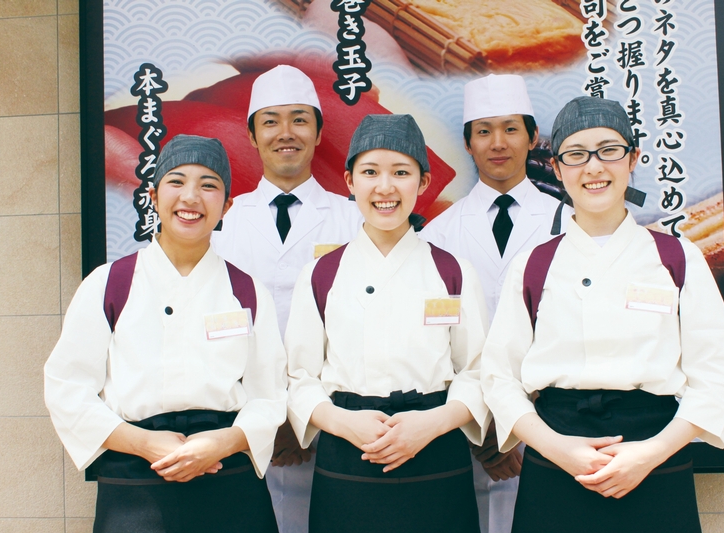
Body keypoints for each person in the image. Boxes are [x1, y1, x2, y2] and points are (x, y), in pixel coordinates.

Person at [481, 96, 724, 533]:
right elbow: (499, 377)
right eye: (577, 156)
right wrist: (559, 449)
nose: (594, 167)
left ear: (633, 158)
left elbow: (715, 375)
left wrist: (649, 454)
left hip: (655, 457)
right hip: (556, 455)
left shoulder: (678, 257)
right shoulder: (534, 264)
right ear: (558, 170)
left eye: (609, 151)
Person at [45, 134, 287, 533]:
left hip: (227, 478)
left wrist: (222, 443)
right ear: (153, 196)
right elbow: (66, 386)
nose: (191, 197)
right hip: (135, 482)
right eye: (177, 181)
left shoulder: (245, 290)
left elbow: (270, 393)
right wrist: (143, 443)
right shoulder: (109, 283)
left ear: (226, 206)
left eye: (208, 185)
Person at [286, 114, 489, 533]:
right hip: (347, 450)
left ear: (424, 183)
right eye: (370, 172)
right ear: (349, 182)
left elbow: (479, 370)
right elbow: (298, 375)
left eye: (401, 172)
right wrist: (342, 422)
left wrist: (435, 422)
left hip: (435, 446)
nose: (385, 187)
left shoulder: (453, 271)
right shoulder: (322, 273)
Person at [211, 64, 363, 533]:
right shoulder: (220, 223)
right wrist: (265, 416)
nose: (286, 133)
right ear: (253, 135)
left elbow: (364, 323)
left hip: (335, 421)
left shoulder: (356, 219)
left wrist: (304, 414)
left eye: (299, 119)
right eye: (270, 121)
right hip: (238, 424)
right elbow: (211, 325)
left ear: (318, 131)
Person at [419, 73, 571, 533]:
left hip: (548, 428)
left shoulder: (567, 221)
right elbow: (433, 337)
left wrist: (517, 423)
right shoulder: (437, 233)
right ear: (468, 144)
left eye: (510, 128)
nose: (497, 142)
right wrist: (483, 426)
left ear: (532, 137)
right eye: (483, 131)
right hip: (462, 430)